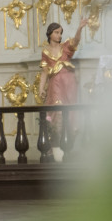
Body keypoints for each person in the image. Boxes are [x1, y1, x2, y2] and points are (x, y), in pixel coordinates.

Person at [40, 18, 88, 150]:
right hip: (55, 83)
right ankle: (57, 145)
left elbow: (76, 40)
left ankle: (70, 145)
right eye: (56, 32)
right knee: (58, 111)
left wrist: (80, 28)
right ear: (50, 33)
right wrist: (40, 88)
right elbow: (44, 72)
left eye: (60, 33)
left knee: (71, 111)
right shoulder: (46, 52)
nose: (59, 35)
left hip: (69, 82)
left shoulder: (65, 47)